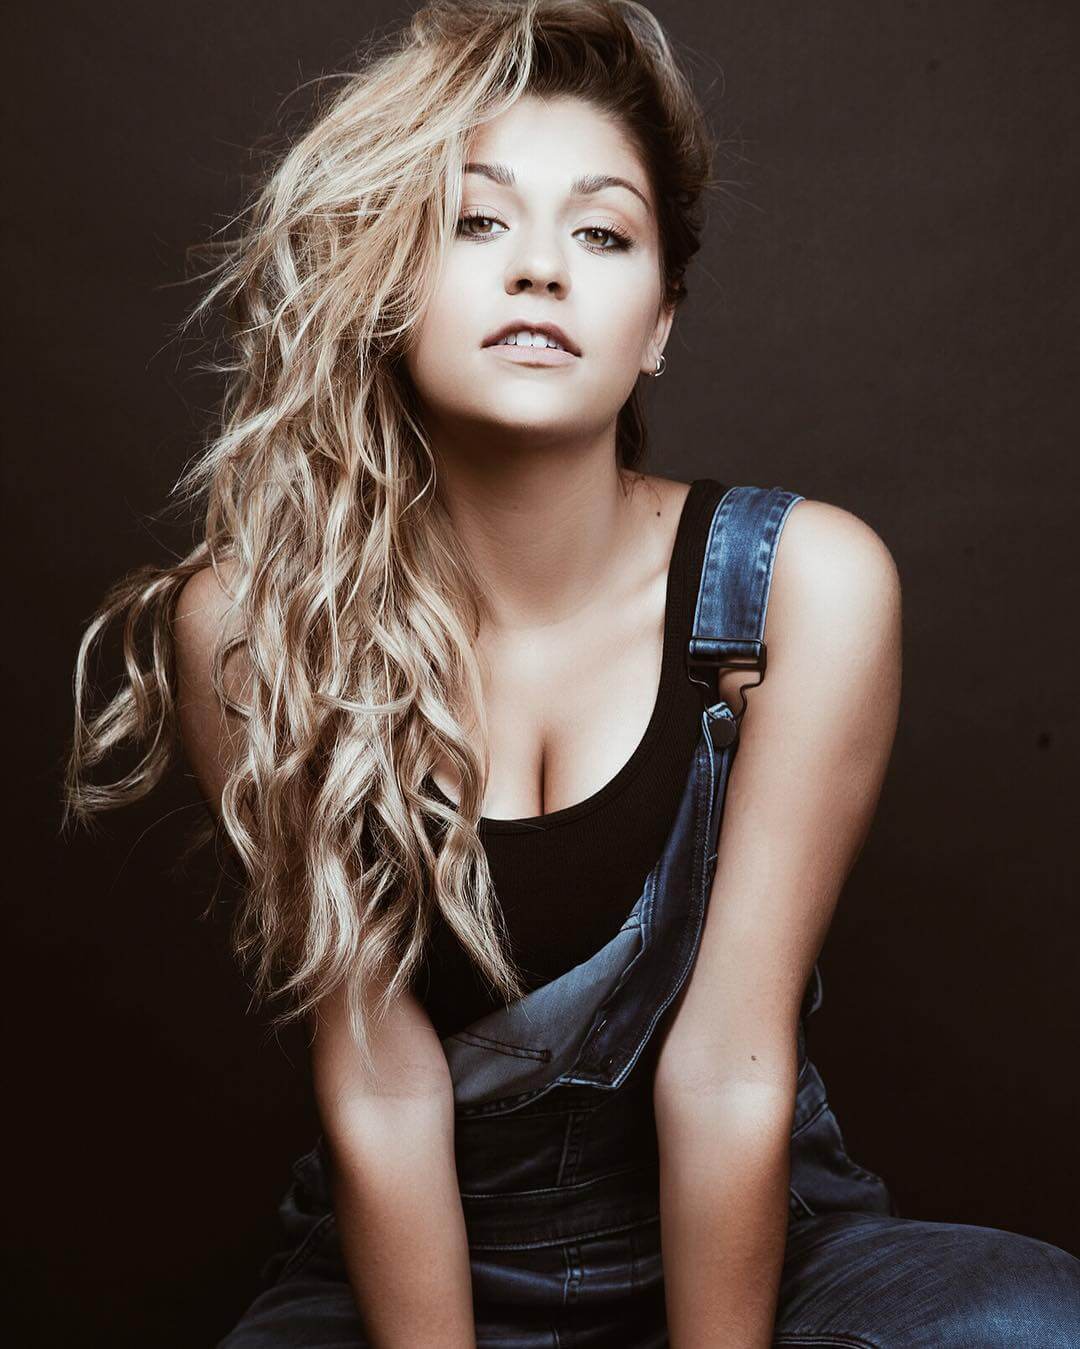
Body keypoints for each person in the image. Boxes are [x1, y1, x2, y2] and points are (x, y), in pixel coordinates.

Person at [63, 1, 1080, 1344]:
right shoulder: (256, 627)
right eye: (477, 221)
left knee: (1027, 1320)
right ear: (387, 280)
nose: (540, 269)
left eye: (601, 234)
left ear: (658, 320)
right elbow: (379, 1088)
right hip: (422, 1261)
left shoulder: (801, 585)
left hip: (758, 1247)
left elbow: (726, 1067)